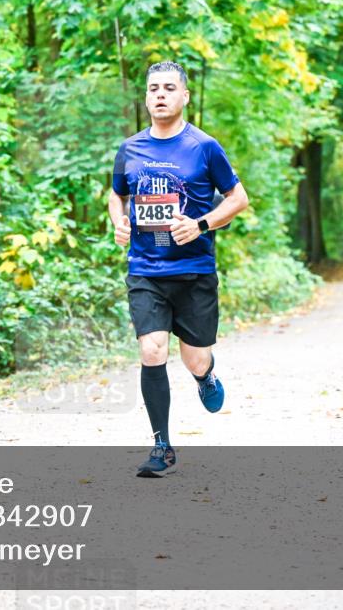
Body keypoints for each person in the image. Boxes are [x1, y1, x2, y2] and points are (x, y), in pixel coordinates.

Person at [109, 61, 249, 478]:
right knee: (152, 349)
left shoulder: (204, 147)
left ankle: (205, 376)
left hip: (194, 271)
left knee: (195, 359)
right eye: (154, 88)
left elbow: (238, 199)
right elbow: (117, 195)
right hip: (146, 269)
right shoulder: (129, 149)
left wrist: (201, 224)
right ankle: (162, 446)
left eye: (170, 88)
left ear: (184, 96)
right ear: (146, 97)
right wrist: (118, 222)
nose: (160, 94)